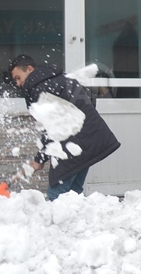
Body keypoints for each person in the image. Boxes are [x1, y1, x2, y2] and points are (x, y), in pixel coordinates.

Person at [9, 55, 121, 200]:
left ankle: (65, 222)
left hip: (74, 144)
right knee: (73, 192)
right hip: (91, 138)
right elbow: (90, 98)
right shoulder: (62, 78)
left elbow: (52, 129)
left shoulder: (40, 90)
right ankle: (77, 221)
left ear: (29, 69)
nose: (18, 83)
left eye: (18, 77)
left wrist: (39, 160)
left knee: (56, 193)